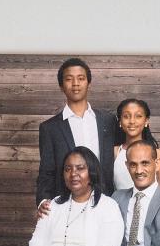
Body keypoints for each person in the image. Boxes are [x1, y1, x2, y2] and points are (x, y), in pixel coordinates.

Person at [35, 58, 117, 207]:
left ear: (89, 83)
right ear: (61, 86)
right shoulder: (50, 128)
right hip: (68, 203)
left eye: (81, 78)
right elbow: (46, 172)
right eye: (69, 79)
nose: (75, 84)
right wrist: (43, 201)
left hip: (107, 200)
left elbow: (130, 148)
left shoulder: (108, 120)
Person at [113, 98, 160, 194]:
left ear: (146, 121)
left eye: (138, 116)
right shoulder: (114, 152)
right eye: (126, 116)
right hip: (120, 207)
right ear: (120, 121)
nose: (132, 121)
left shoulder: (158, 155)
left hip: (151, 208)